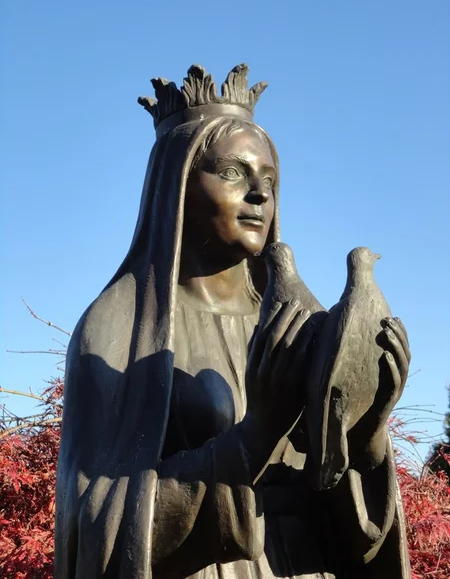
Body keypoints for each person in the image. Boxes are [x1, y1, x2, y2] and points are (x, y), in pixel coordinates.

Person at [55, 64, 411, 579]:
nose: (260, 195)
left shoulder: (303, 321)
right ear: (176, 186)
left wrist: (367, 437)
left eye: (269, 180)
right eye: (231, 173)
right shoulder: (117, 329)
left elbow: (346, 513)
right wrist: (254, 437)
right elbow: (97, 523)